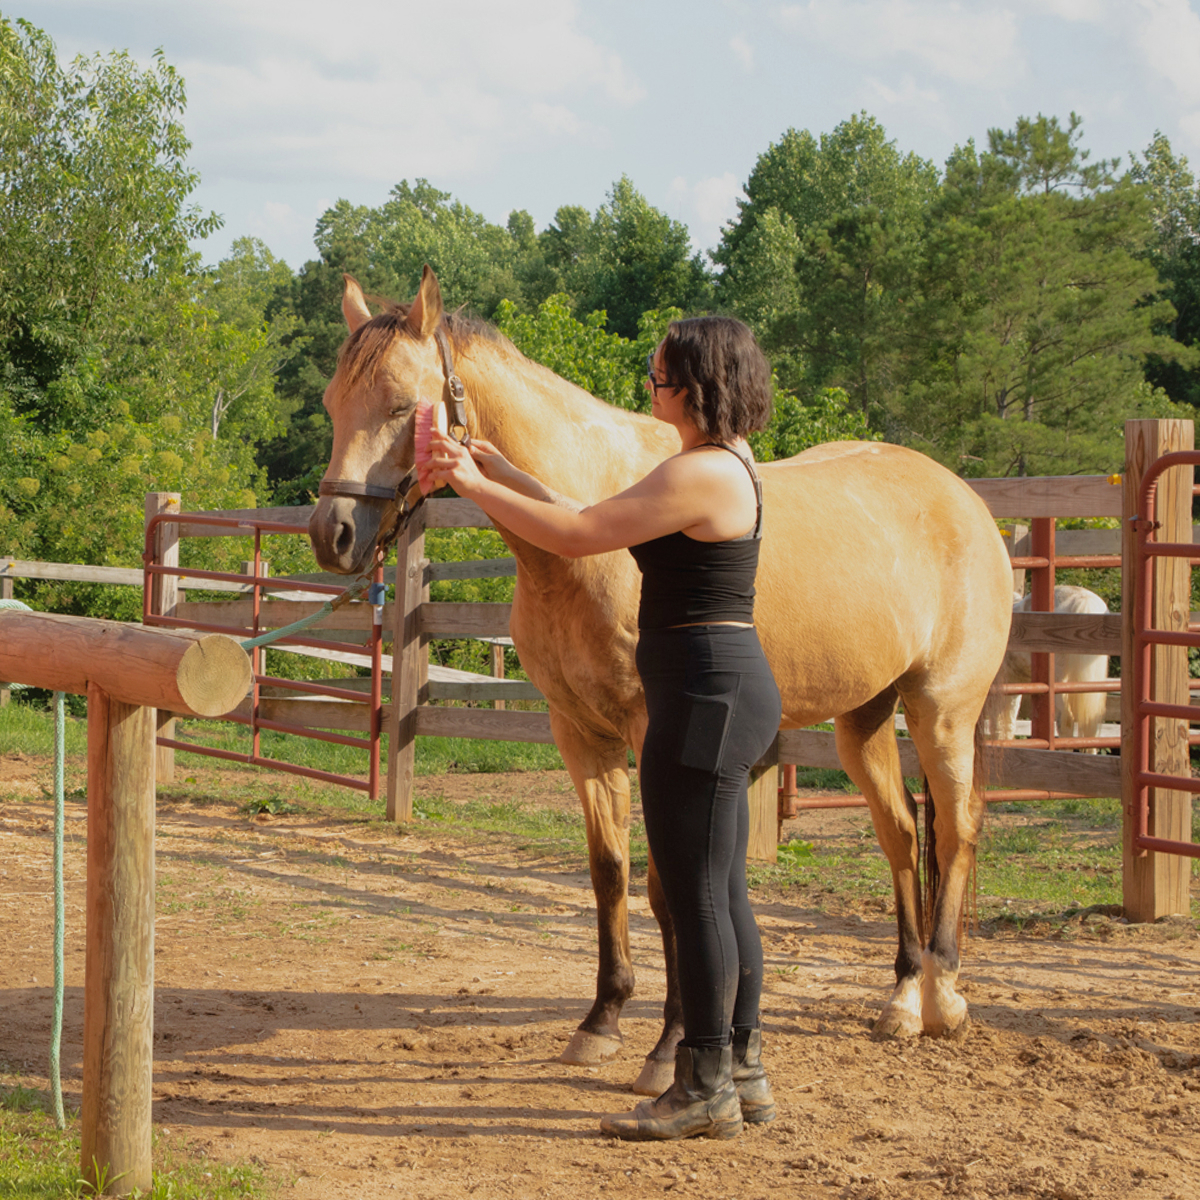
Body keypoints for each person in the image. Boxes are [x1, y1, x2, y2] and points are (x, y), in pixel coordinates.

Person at [427, 316, 782, 1141]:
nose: (649, 393)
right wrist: (505, 468)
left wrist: (473, 489)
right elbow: (595, 510)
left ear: (697, 387)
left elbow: (584, 536)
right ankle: (743, 1069)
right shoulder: (724, 466)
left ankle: (703, 1083)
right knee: (722, 891)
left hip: (701, 698)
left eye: (658, 380)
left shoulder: (699, 473)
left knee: (694, 895)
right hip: (721, 690)